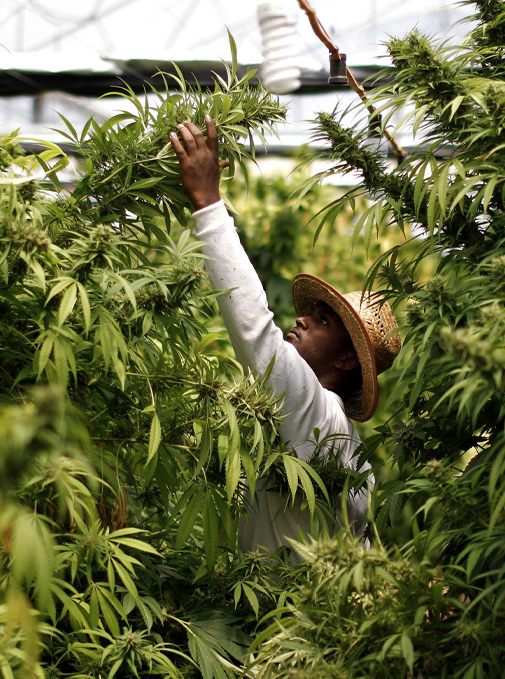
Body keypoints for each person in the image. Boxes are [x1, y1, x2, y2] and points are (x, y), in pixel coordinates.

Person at [170, 116, 401, 554]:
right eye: (311, 314)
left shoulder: (318, 415)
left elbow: (256, 330)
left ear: (348, 360)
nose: (303, 321)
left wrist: (207, 203)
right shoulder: (349, 452)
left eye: (324, 321)